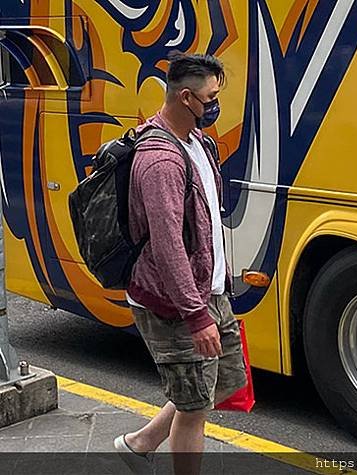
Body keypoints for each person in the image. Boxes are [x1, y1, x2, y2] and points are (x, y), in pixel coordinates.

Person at [113, 52, 247, 475]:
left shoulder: (198, 143)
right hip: (175, 303)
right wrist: (195, 315)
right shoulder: (161, 159)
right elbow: (169, 245)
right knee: (194, 408)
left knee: (211, 385)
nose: (215, 105)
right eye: (211, 97)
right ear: (186, 97)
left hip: (208, 290)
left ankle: (139, 444)